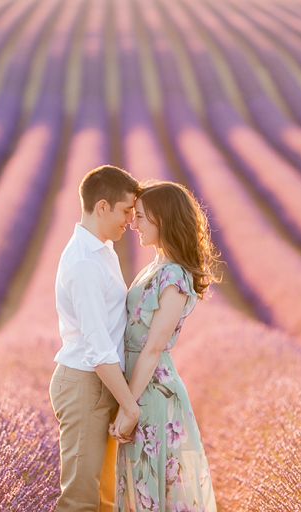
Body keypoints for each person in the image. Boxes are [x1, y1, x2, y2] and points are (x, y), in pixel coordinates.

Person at [110, 180, 222, 512]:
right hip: (136, 386)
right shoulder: (155, 267)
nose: (134, 223)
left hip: (153, 394)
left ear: (163, 220)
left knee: (151, 484)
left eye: (141, 217)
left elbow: (153, 348)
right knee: (139, 482)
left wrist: (128, 406)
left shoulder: (174, 276)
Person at [49, 164, 143, 511]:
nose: (130, 221)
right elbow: (98, 347)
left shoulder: (103, 251)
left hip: (101, 383)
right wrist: (130, 406)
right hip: (85, 384)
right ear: (102, 206)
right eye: (125, 211)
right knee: (80, 500)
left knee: (106, 499)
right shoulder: (85, 262)